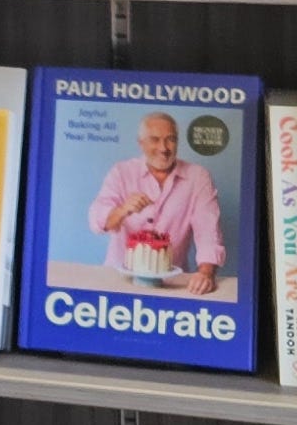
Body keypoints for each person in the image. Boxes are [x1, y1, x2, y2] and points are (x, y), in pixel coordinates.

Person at [87, 110, 224, 295]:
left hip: (172, 284)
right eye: (155, 139)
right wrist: (122, 210)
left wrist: (206, 274)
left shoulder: (198, 177)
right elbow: (97, 221)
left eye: (170, 139)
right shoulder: (121, 172)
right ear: (141, 143)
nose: (163, 148)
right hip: (119, 279)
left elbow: (208, 231)